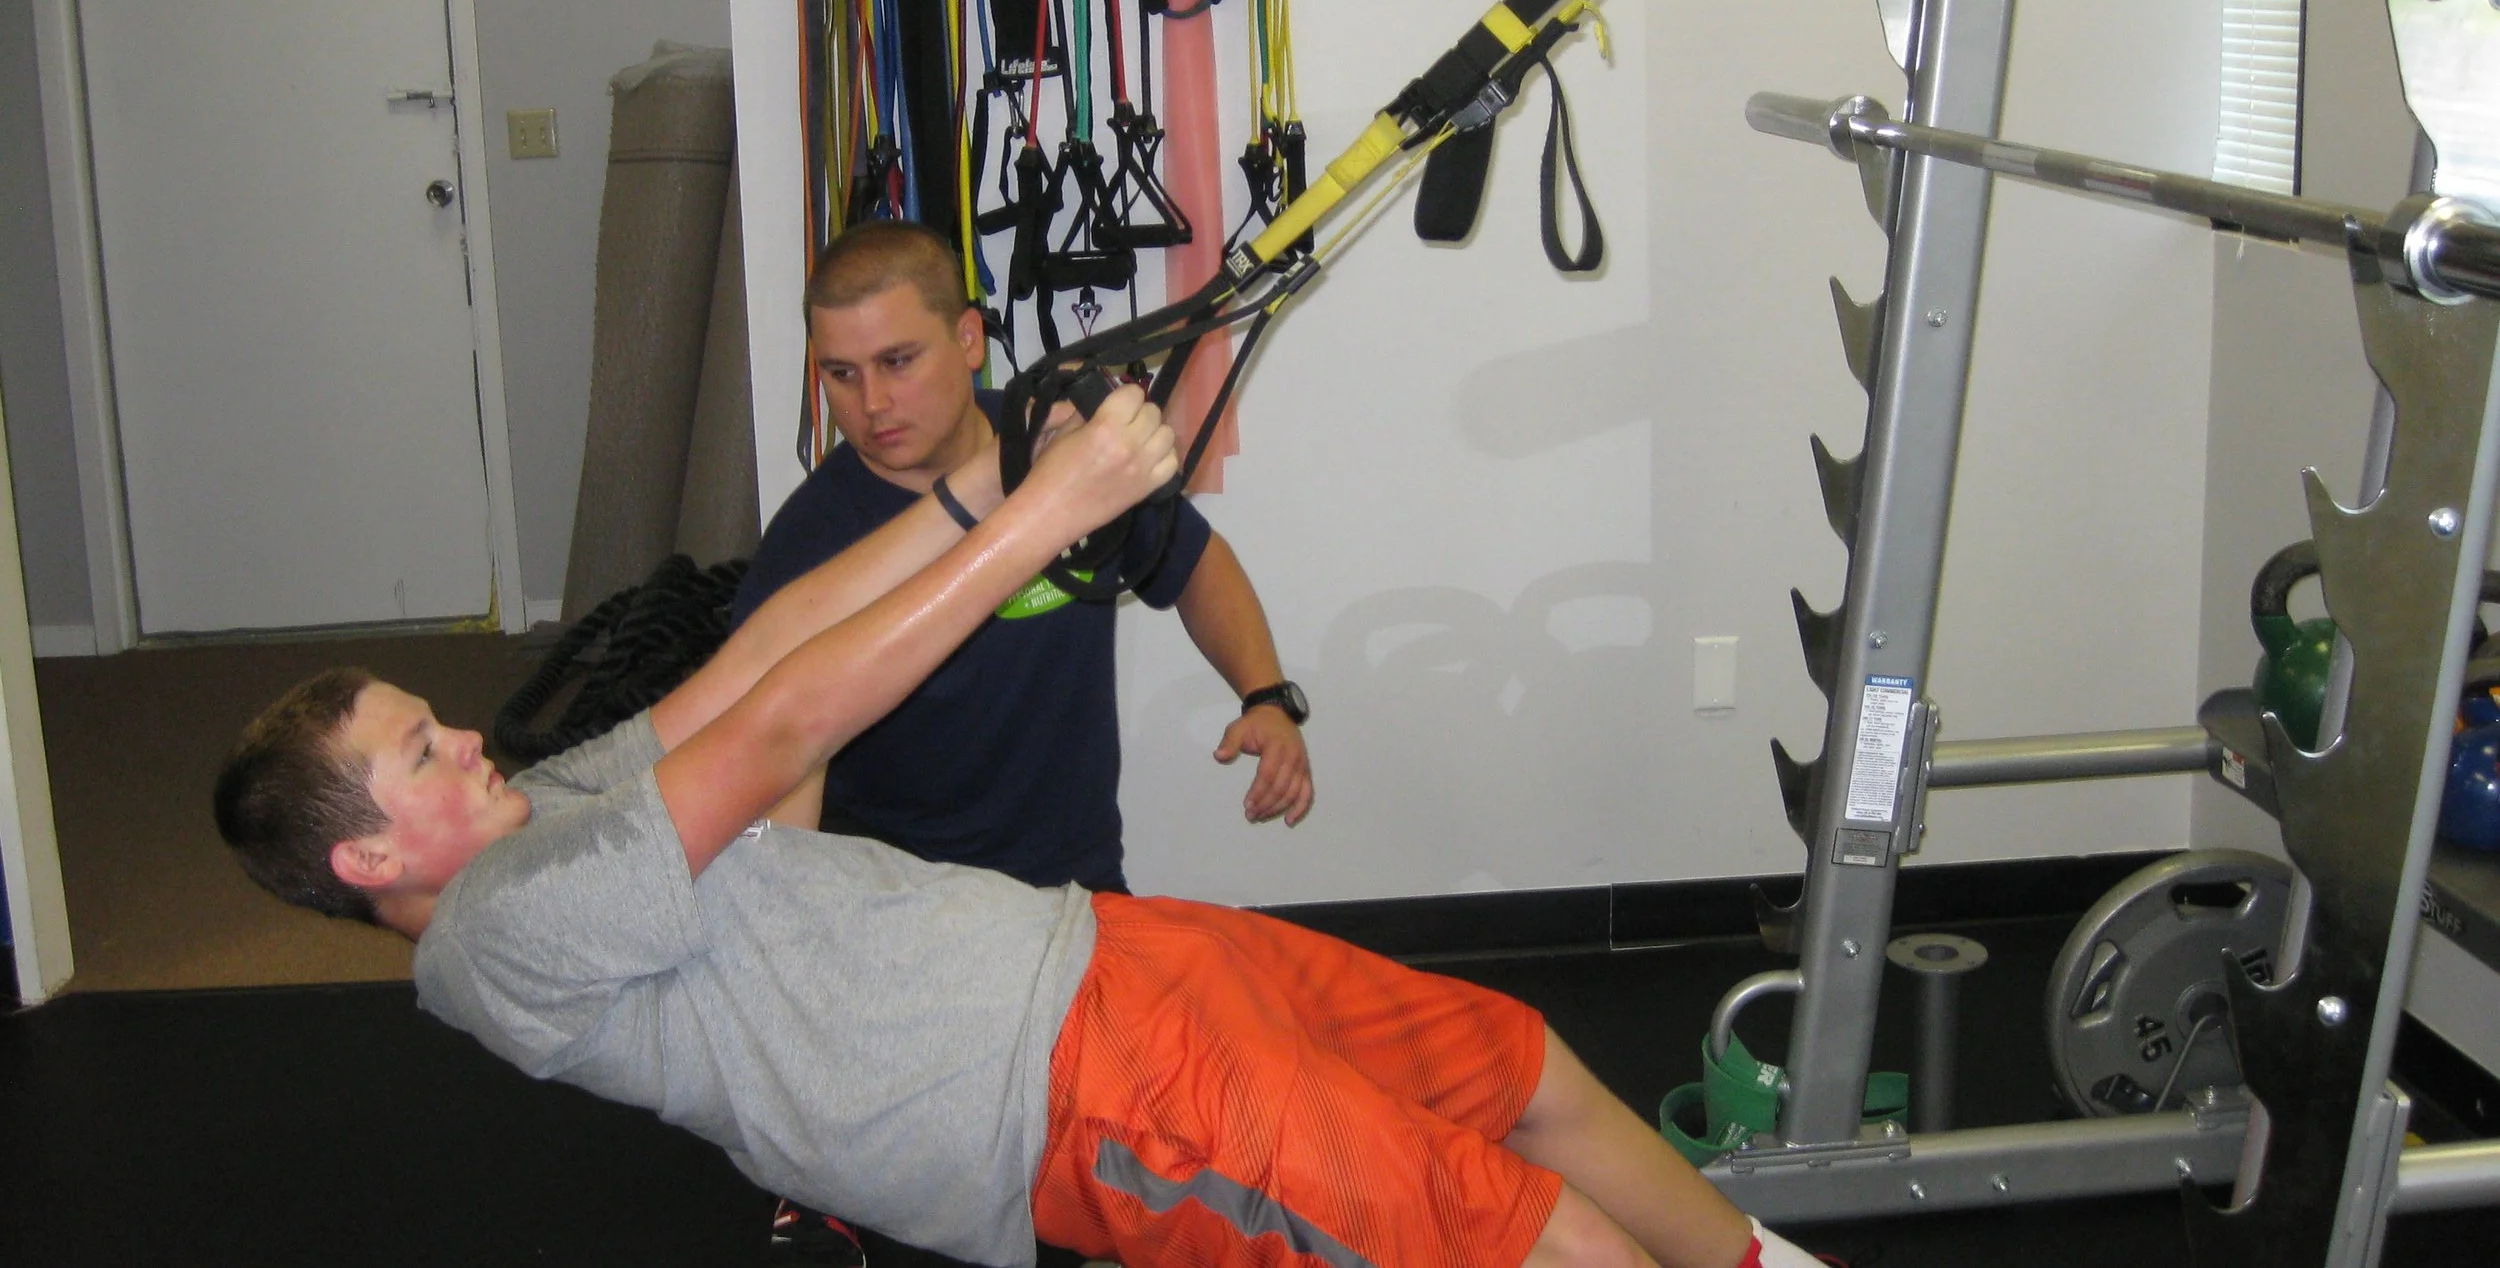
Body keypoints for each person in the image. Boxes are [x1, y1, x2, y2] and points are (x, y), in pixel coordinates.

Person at [214, 388, 1821, 1268]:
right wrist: (1052, 516)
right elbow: (786, 728)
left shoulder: (526, 819)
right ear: (369, 857)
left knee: (1521, 1069)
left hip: (1096, 951)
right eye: (423, 749)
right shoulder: (504, 934)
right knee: (1518, 1243)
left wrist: (972, 502)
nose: (471, 736)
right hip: (1069, 1094)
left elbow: (750, 661)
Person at [735, 219, 1311, 895]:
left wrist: (1266, 696)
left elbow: (1195, 563)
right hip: (899, 910)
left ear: (969, 339)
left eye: (898, 361)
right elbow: (766, 766)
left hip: (1077, 891)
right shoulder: (809, 547)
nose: (872, 404)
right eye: (841, 373)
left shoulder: (1063, 451)